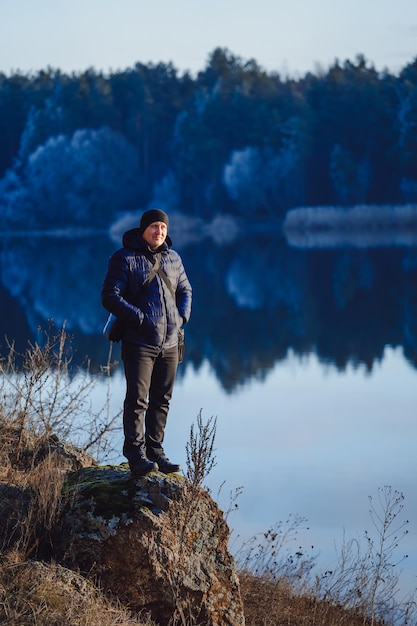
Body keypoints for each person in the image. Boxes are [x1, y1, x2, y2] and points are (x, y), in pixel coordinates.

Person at [101, 209, 192, 476]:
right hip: (139, 342)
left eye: (163, 228)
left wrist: (182, 315)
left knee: (162, 400)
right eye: (154, 227)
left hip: (171, 343)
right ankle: (136, 456)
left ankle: (156, 452)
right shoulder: (124, 258)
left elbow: (186, 289)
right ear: (143, 229)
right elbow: (109, 296)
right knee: (137, 400)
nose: (159, 232)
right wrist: (138, 318)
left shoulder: (173, 258)